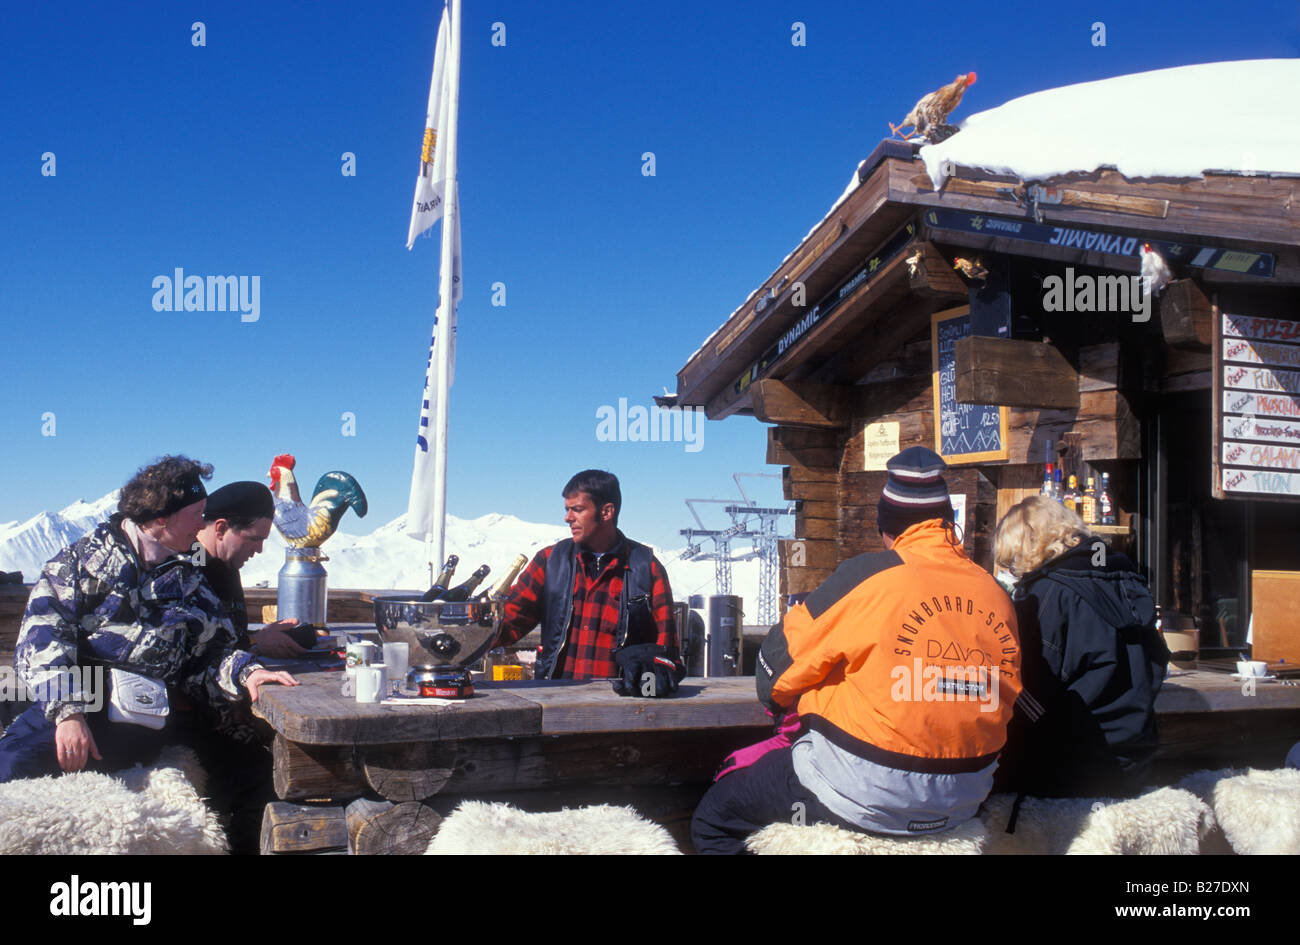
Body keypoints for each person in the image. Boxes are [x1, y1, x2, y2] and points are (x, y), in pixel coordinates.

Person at [691, 447, 1021, 854]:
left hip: (864, 790)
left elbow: (776, 671)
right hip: (965, 796)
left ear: (888, 528)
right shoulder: (995, 594)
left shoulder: (870, 576)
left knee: (714, 820)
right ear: (948, 522)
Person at [0, 455, 297, 784]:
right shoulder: (81, 564)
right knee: (12, 765)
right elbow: (42, 640)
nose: (202, 525)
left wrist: (246, 672)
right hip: (78, 708)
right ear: (163, 517)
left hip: (142, 720)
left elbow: (211, 652)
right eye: (196, 515)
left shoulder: (186, 578)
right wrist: (69, 713)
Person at [993, 495, 1167, 798]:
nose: (1014, 571)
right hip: (1135, 758)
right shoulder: (1129, 581)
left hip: (1072, 768)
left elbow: (1029, 693)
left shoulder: (1047, 595)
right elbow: (1157, 663)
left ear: (1029, 547)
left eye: (1012, 560)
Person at [494, 469, 683, 693]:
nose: (567, 518)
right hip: (555, 702)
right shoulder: (550, 561)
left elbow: (666, 651)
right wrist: (463, 640)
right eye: (567, 510)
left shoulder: (646, 568)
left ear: (606, 512)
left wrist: (651, 680)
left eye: (577, 509)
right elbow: (507, 621)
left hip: (621, 709)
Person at [195, 480, 312, 658]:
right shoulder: (187, 569)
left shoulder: (225, 563)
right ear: (221, 528)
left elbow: (226, 637)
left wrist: (260, 638)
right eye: (254, 539)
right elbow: (193, 654)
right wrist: (254, 641)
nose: (259, 549)